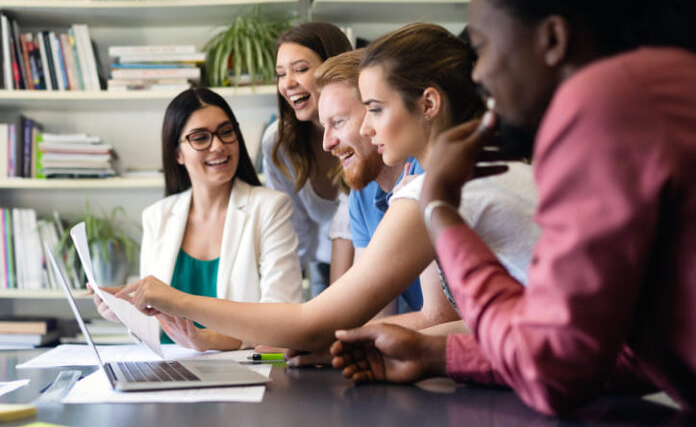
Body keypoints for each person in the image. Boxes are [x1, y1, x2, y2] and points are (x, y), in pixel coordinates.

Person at [331, 0, 696, 416]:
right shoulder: (659, 84)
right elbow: (606, 349)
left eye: (483, 48)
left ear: (553, 39)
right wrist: (436, 355)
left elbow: (556, 371)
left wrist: (441, 210)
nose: (479, 74)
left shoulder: (601, 103)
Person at [114, 23, 538, 356]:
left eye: (374, 109)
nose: (368, 129)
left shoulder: (430, 188)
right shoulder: (490, 166)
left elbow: (312, 321)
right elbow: (498, 318)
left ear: (428, 104)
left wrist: (176, 300)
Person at [94, 87, 303, 351]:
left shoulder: (270, 208)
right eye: (200, 138)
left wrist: (205, 340)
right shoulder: (157, 216)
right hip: (169, 373)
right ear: (177, 153)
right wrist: (129, 313)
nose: (218, 146)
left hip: (242, 372)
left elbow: (281, 323)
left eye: (226, 132)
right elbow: (157, 326)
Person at [316, 50, 426, 317]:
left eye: (338, 123)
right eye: (324, 127)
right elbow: (372, 311)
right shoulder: (362, 194)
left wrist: (332, 338)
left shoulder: (426, 172)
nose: (326, 143)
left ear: (374, 113)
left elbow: (443, 316)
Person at [262, 22, 353, 296]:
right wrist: (278, 300)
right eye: (281, 74)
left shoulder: (368, 132)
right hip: (324, 267)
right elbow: (293, 230)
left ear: (335, 69)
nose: (288, 83)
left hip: (382, 263)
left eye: (301, 69)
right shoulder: (278, 143)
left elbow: (352, 223)